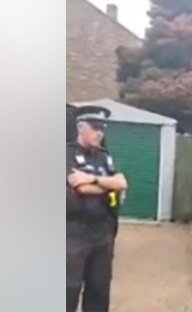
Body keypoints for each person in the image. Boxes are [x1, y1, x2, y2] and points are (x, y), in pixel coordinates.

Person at [66, 106, 128, 312]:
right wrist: (105, 184)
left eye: (102, 127)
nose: (100, 132)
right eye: (94, 127)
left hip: (102, 233)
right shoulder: (67, 154)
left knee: (99, 291)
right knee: (68, 290)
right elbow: (79, 187)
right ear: (80, 127)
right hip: (72, 234)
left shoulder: (104, 157)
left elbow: (121, 182)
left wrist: (92, 179)